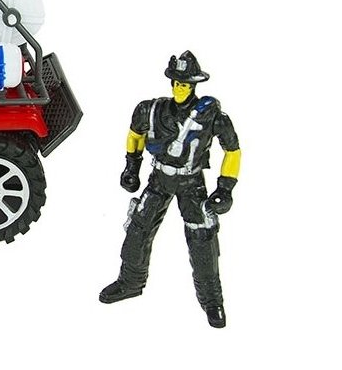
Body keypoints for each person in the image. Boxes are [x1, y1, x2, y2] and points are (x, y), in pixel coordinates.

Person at [99, 51, 240, 328]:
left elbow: (233, 150)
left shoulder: (212, 116)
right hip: (160, 178)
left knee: (202, 239)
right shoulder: (152, 110)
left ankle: (212, 300)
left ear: (193, 85)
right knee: (138, 228)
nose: (179, 89)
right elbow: (135, 134)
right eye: (176, 83)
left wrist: (226, 188)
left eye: (184, 84)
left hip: (191, 183)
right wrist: (131, 167)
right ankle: (130, 282)